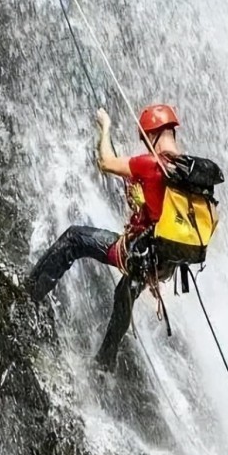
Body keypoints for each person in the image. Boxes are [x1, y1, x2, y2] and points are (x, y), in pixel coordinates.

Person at [25, 103, 182, 371]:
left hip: (139, 254)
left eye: (146, 140)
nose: (146, 146)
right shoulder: (187, 171)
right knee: (125, 291)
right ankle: (106, 360)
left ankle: (28, 295)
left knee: (75, 239)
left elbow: (106, 162)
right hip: (166, 258)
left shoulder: (153, 164)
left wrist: (105, 127)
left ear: (151, 135)